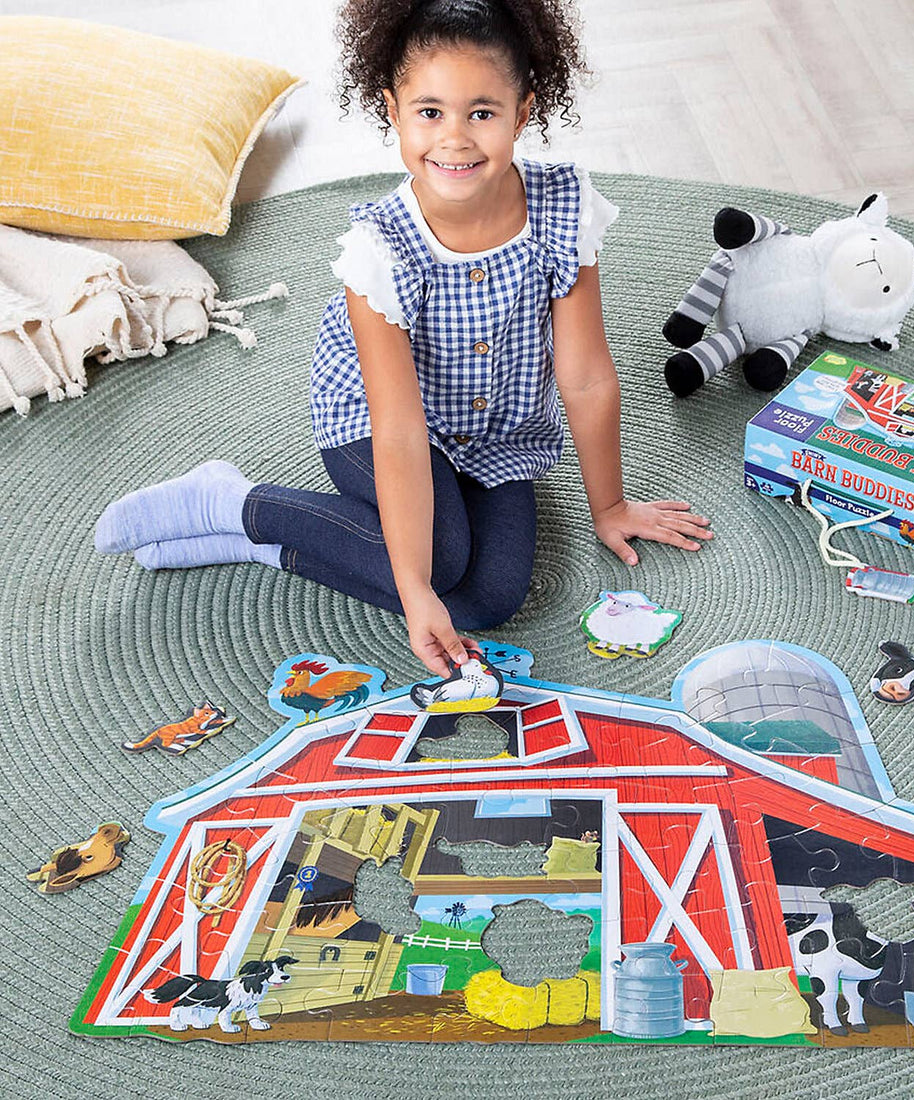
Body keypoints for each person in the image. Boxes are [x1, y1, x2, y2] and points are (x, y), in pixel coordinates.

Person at [95, 0, 712, 676]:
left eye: (482, 112)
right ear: (391, 109)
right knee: (439, 563)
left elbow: (587, 377)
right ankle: (234, 502)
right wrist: (413, 591)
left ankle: (265, 541)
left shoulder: (565, 207)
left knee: (488, 598)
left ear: (523, 110)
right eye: (429, 112)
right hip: (376, 419)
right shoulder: (380, 249)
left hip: (498, 431)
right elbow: (397, 429)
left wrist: (611, 505)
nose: (455, 139)